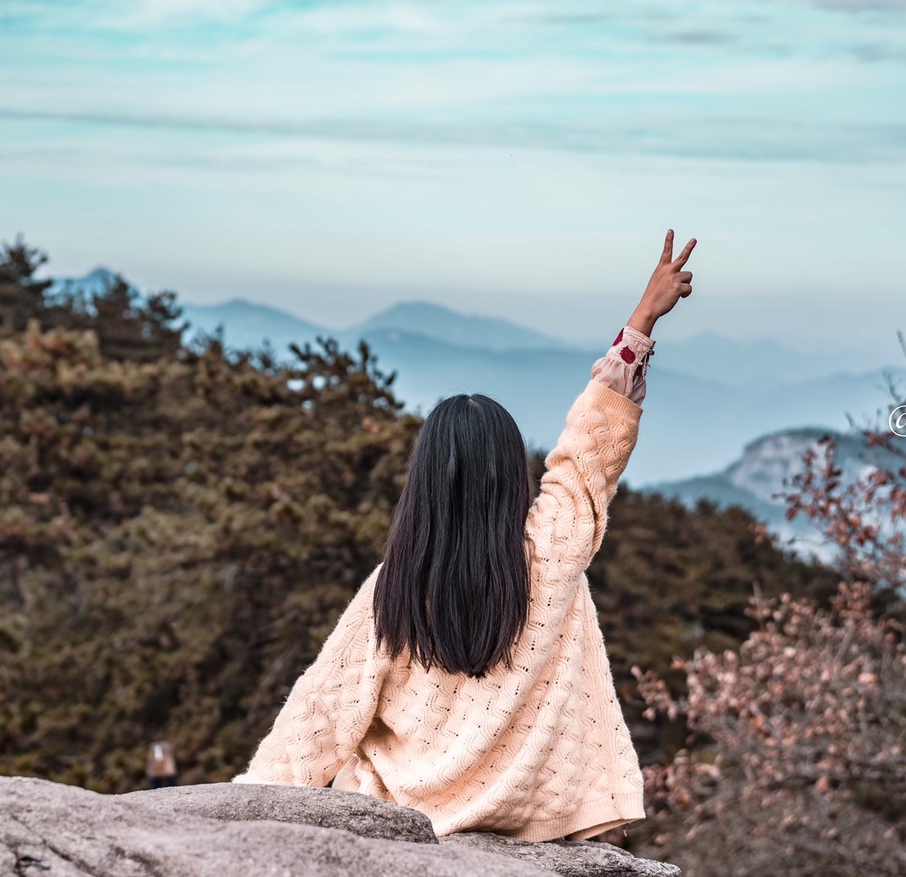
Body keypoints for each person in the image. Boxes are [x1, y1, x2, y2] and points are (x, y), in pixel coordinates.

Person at [234, 229, 699, 841]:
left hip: (402, 823)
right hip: (529, 821)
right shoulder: (553, 551)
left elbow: (315, 722)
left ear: (423, 481)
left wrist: (231, 815)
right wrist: (642, 320)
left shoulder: (396, 589)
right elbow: (589, 449)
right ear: (511, 473)